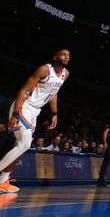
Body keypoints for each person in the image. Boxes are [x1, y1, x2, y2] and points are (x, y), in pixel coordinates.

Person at [0, 48, 70, 194]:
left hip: (35, 111)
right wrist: (15, 114)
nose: (66, 56)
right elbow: (22, 90)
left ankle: (3, 181)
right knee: (25, 144)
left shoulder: (65, 74)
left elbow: (54, 93)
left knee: (20, 146)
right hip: (24, 105)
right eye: (63, 54)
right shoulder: (44, 70)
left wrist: (55, 113)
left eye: (68, 55)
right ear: (55, 56)